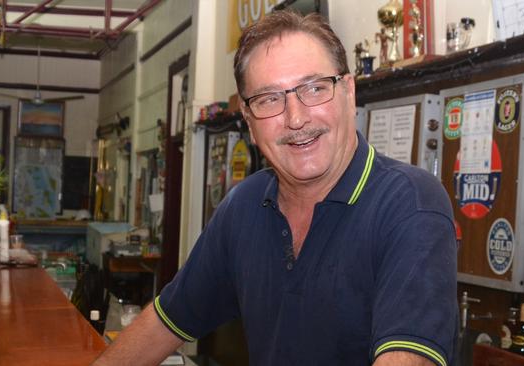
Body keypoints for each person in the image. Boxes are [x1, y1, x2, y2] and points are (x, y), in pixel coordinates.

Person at [92, 10, 458, 366]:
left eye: (314, 88)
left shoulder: (409, 202)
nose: (296, 118)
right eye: (269, 99)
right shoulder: (243, 206)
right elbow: (165, 321)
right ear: (250, 123)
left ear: (348, 92)